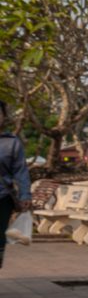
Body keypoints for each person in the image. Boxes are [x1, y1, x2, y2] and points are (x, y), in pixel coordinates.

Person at [0, 100, 32, 269]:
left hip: (2, 199)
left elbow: (20, 170)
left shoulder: (11, 142)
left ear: (4, 117)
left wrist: (25, 194)